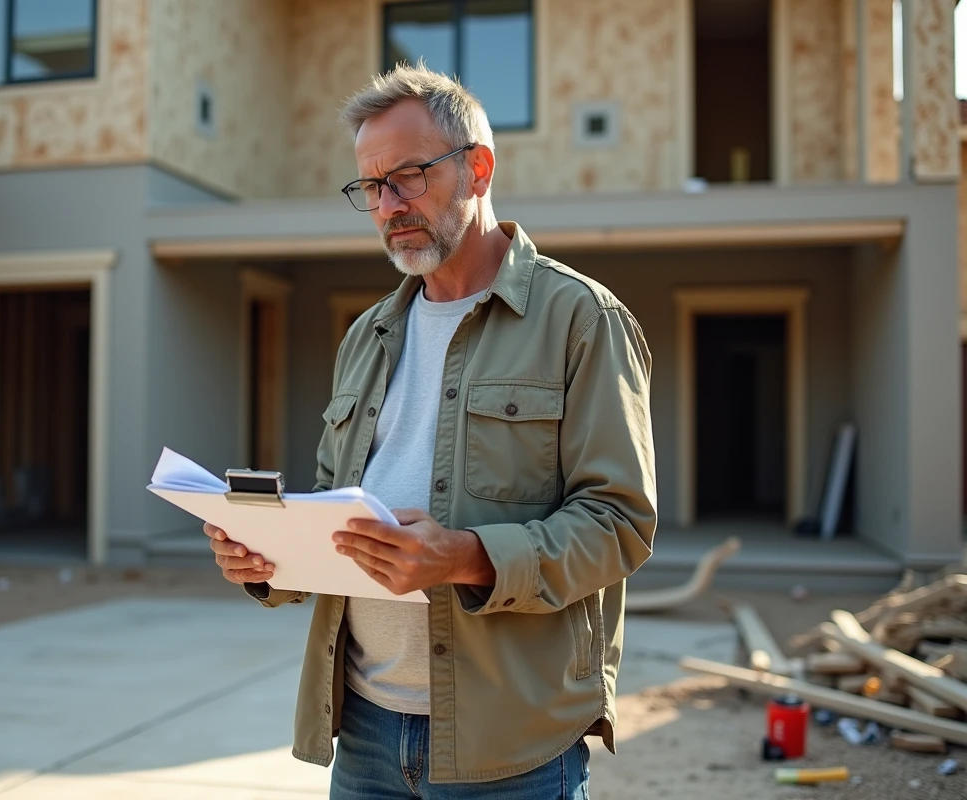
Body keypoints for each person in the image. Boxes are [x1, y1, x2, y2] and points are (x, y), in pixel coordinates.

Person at [204, 63, 657, 799]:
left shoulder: (581, 321)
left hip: (511, 743)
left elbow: (620, 526)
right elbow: (337, 511)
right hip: (366, 736)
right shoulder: (366, 336)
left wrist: (464, 556)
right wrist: (270, 560)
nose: (388, 206)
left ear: (477, 169)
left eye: (409, 177)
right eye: (371, 187)